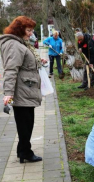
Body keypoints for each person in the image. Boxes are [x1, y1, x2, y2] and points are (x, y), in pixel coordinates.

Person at [0, 16, 47, 163]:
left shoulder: (21, 43)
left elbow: (24, 63)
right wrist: (8, 93)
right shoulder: (14, 45)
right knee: (25, 125)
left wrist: (38, 62)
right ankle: (25, 152)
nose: (31, 33)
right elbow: (11, 70)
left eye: (32, 30)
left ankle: (23, 151)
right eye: (28, 30)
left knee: (27, 124)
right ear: (19, 30)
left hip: (26, 89)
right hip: (21, 91)